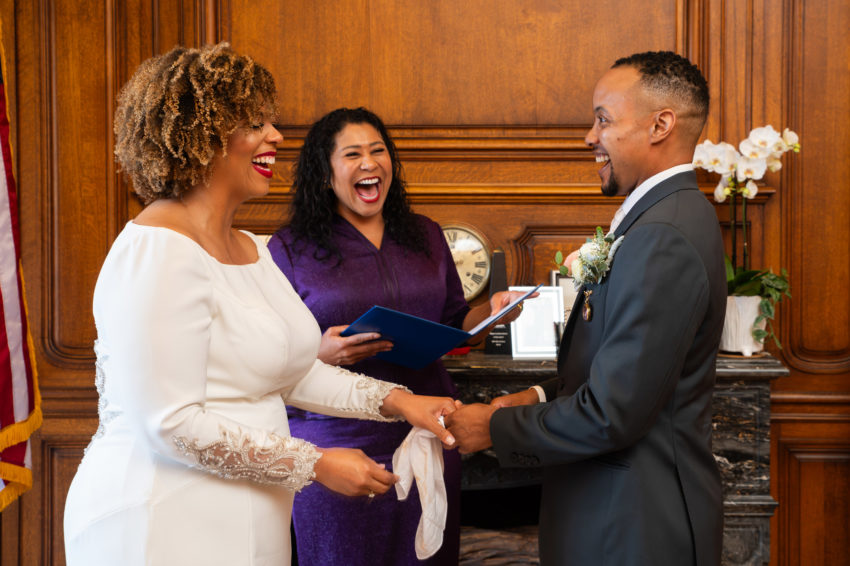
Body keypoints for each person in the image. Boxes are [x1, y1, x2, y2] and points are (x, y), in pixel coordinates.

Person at [63, 43, 458, 566]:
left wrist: (401, 401)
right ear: (199, 135)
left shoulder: (252, 247)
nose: (275, 136)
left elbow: (289, 371)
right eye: (254, 122)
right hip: (162, 517)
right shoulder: (156, 250)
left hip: (251, 520)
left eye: (271, 122)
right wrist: (315, 463)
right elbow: (169, 423)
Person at [445, 51, 726, 566]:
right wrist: (529, 395)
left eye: (603, 119)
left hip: (633, 526)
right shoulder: (663, 216)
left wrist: (492, 427)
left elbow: (612, 413)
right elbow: (621, 372)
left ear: (661, 124)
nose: (588, 137)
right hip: (618, 514)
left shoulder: (662, 235)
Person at [268, 107, 530, 565]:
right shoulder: (289, 248)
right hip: (337, 445)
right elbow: (270, 355)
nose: (370, 163)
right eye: (353, 154)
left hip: (429, 430)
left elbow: (454, 319)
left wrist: (490, 313)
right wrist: (321, 352)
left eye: (378, 151)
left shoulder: (426, 234)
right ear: (324, 171)